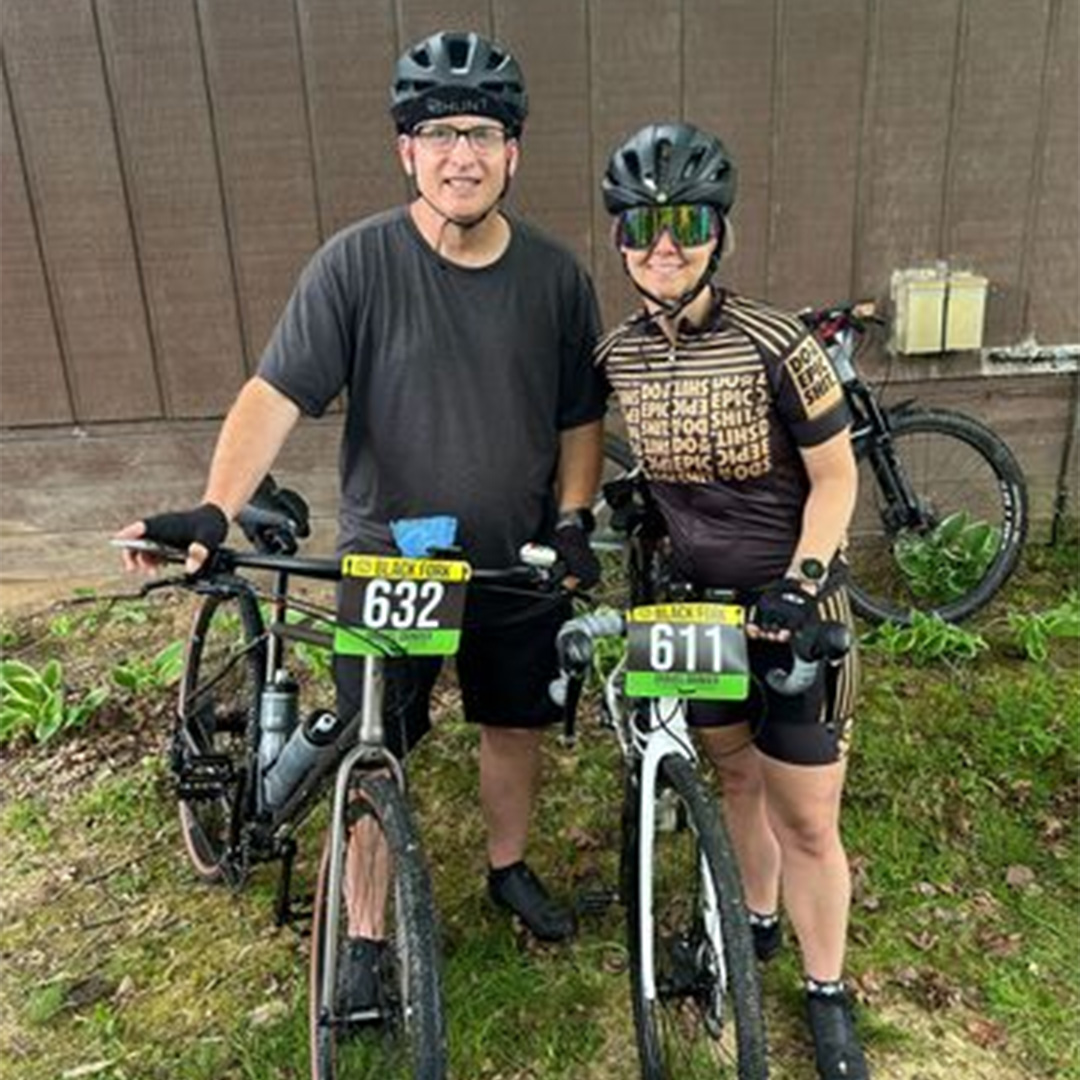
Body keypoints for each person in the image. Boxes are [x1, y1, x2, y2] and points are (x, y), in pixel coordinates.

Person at [118, 30, 606, 1006]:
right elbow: (275, 396)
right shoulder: (355, 267)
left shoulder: (556, 279)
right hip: (397, 563)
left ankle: (508, 870)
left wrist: (577, 519)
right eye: (437, 133)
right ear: (405, 151)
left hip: (515, 556)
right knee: (378, 740)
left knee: (514, 724)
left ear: (514, 150)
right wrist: (217, 505)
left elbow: (578, 417)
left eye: (482, 132)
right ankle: (369, 937)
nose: (460, 154)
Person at [596, 122, 868, 1080]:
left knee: (806, 818)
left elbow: (836, 480)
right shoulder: (617, 356)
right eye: (640, 224)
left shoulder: (776, 341)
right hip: (697, 616)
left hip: (794, 608)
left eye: (687, 220)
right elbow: (578, 450)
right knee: (736, 784)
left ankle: (828, 992)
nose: (663, 244)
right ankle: (753, 923)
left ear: (720, 229)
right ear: (621, 237)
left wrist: (800, 587)